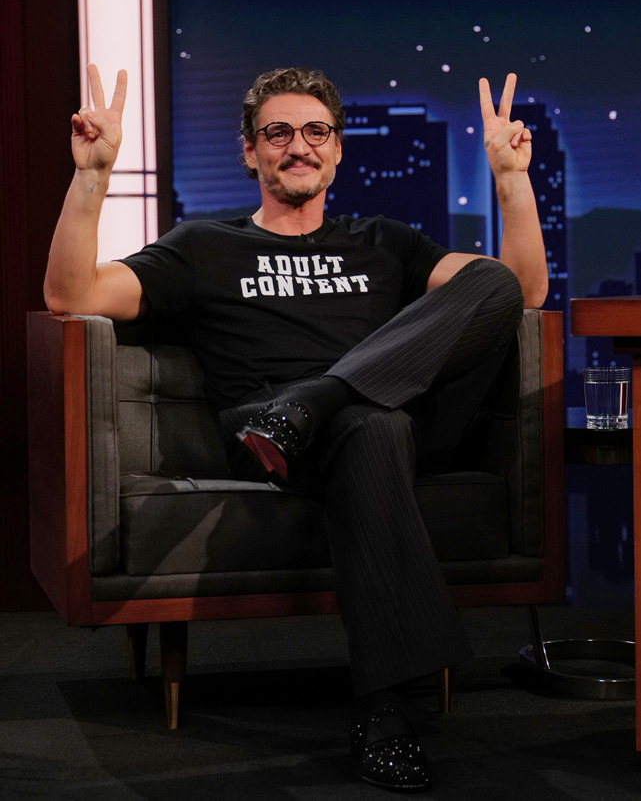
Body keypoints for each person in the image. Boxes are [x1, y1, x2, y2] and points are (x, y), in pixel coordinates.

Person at [45, 64, 548, 792]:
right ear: (250, 152)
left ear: (338, 149)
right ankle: (386, 712)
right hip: (267, 436)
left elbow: (520, 290)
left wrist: (511, 181)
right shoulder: (203, 246)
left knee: (485, 289)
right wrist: (91, 176)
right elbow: (72, 294)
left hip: (371, 417)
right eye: (277, 132)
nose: (298, 146)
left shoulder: (384, 241)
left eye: (316, 131)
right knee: (373, 429)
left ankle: (317, 399)